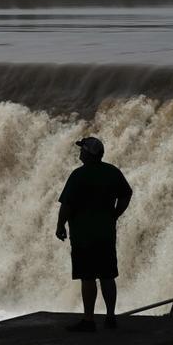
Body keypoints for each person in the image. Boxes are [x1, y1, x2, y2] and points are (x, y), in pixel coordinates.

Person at [55, 136, 133, 332]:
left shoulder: (79, 176)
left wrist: (60, 225)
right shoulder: (112, 172)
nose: (80, 152)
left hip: (83, 236)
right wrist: (115, 214)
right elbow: (126, 194)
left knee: (88, 277)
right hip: (106, 234)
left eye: (82, 150)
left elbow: (67, 205)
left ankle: (89, 320)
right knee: (107, 276)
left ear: (89, 154)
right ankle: (110, 317)